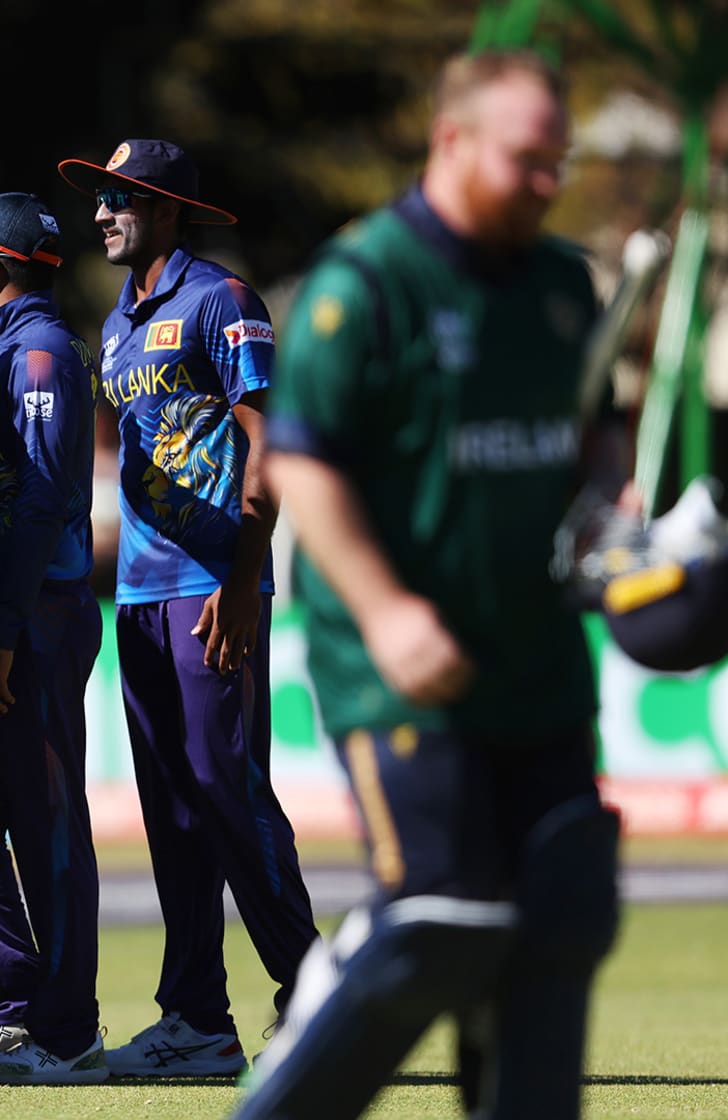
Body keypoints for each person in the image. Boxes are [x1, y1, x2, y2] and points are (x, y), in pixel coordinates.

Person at [232, 48, 641, 1120]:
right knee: (446, 917)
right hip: (397, 670)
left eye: (561, 161)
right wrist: (386, 608)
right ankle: (323, 1004)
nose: (550, 183)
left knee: (559, 914)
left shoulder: (563, 286)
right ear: (452, 141)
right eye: (528, 161)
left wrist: (613, 510)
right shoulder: (363, 283)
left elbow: (595, 438)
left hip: (538, 665)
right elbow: (299, 464)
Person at [56, 140, 319, 1077]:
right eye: (96, 198)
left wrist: (245, 582)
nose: (99, 215)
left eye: (117, 198)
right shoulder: (119, 323)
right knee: (170, 804)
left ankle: (315, 990)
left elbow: (269, 450)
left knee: (225, 787)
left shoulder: (223, 302)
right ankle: (198, 1020)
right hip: (138, 593)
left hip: (214, 593)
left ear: (166, 208)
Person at [0, 193, 107, 1084]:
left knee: (47, 829)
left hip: (36, 622)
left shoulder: (39, 353)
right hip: (13, 619)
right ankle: (11, 1007)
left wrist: (3, 624)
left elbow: (39, 501)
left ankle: (69, 1033)